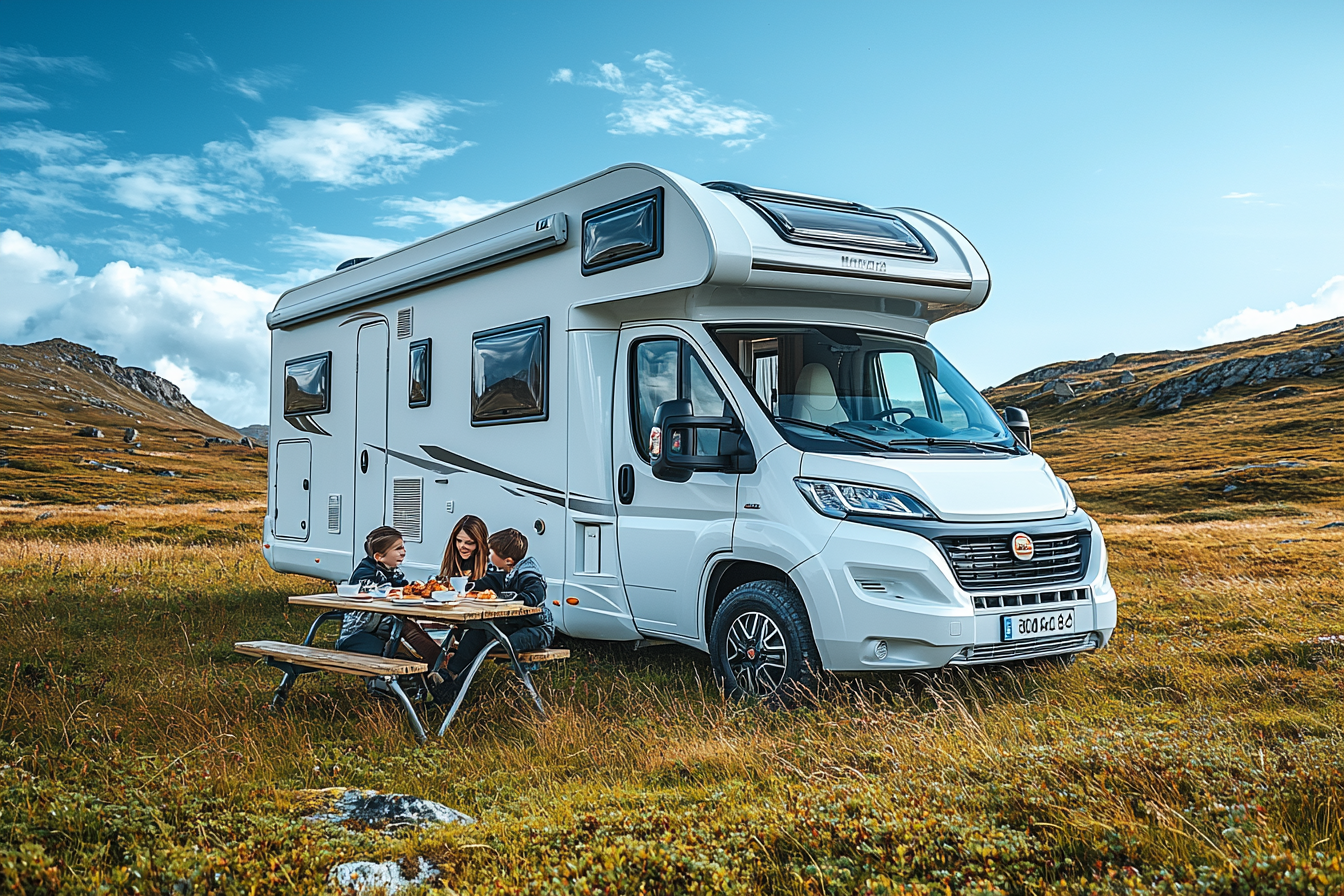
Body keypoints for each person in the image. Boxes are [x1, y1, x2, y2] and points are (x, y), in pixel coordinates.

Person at [432, 528, 555, 705]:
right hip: (512, 625)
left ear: (508, 560)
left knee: (494, 645)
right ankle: (449, 675)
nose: (488, 556)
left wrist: (509, 599)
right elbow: (487, 582)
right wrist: (464, 586)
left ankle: (457, 690)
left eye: (491, 553)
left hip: (536, 629)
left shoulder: (529, 574)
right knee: (476, 635)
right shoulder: (505, 572)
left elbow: (535, 596)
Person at [337, 526, 446, 682]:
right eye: (398, 548)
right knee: (402, 627)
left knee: (403, 625)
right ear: (379, 557)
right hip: (359, 634)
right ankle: (437, 666)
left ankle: (437, 665)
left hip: (383, 629)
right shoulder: (366, 573)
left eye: (403, 546)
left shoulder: (392, 571)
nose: (404, 551)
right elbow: (379, 593)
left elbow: (404, 588)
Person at [439, 514, 490, 585]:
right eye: (459, 540)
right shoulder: (453, 559)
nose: (461, 546)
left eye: (469, 543)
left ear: (480, 544)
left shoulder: (492, 566)